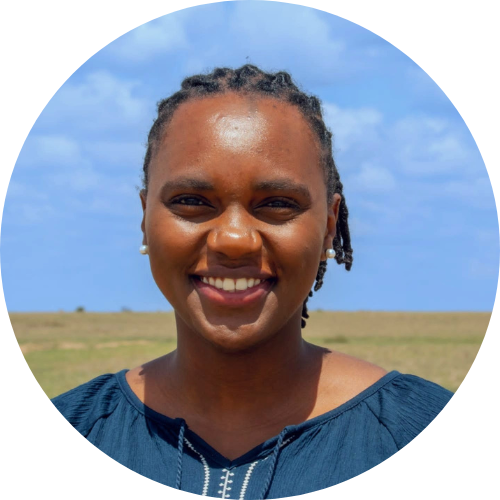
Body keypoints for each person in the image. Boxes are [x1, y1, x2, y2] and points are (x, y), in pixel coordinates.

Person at [51, 65, 453, 497]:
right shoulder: (83, 424)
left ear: (329, 228)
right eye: (191, 202)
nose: (235, 240)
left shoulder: (411, 427)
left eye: (278, 203)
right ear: (145, 219)